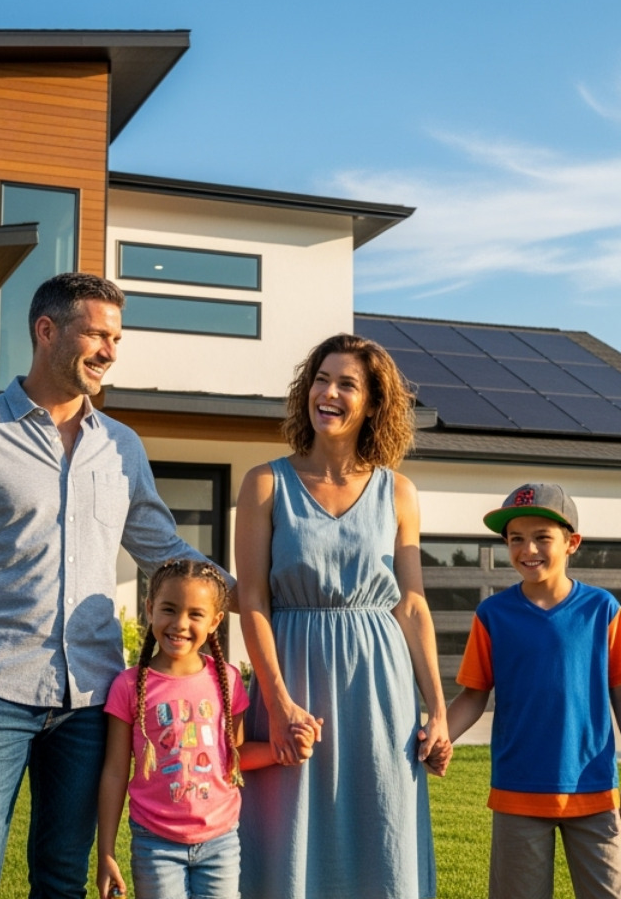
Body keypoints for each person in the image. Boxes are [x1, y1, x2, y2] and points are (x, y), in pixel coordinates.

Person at [0, 273, 234, 899]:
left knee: (62, 877)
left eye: (116, 339)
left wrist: (263, 597)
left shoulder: (122, 448)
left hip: (90, 701)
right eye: (97, 335)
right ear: (46, 330)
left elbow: (163, 549)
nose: (109, 351)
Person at [234, 333, 451, 899]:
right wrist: (277, 703)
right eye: (320, 380)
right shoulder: (264, 482)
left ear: (373, 403)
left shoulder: (398, 491)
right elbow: (253, 600)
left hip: (380, 689)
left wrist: (439, 711)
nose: (327, 393)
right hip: (292, 678)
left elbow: (412, 603)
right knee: (283, 836)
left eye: (346, 384)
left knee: (382, 826)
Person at [445, 483, 621, 899]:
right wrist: (439, 736)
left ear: (571, 542)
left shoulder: (601, 609)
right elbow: (472, 695)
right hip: (518, 792)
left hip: (593, 789)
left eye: (542, 537)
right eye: (516, 539)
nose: (528, 549)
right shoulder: (492, 615)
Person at [96, 559, 312, 899]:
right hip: (155, 842)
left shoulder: (228, 678)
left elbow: (235, 756)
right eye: (169, 609)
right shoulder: (127, 685)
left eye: (195, 614)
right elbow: (114, 772)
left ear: (215, 621)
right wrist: (106, 852)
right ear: (150, 609)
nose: (180, 624)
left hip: (220, 842)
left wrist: (280, 750)